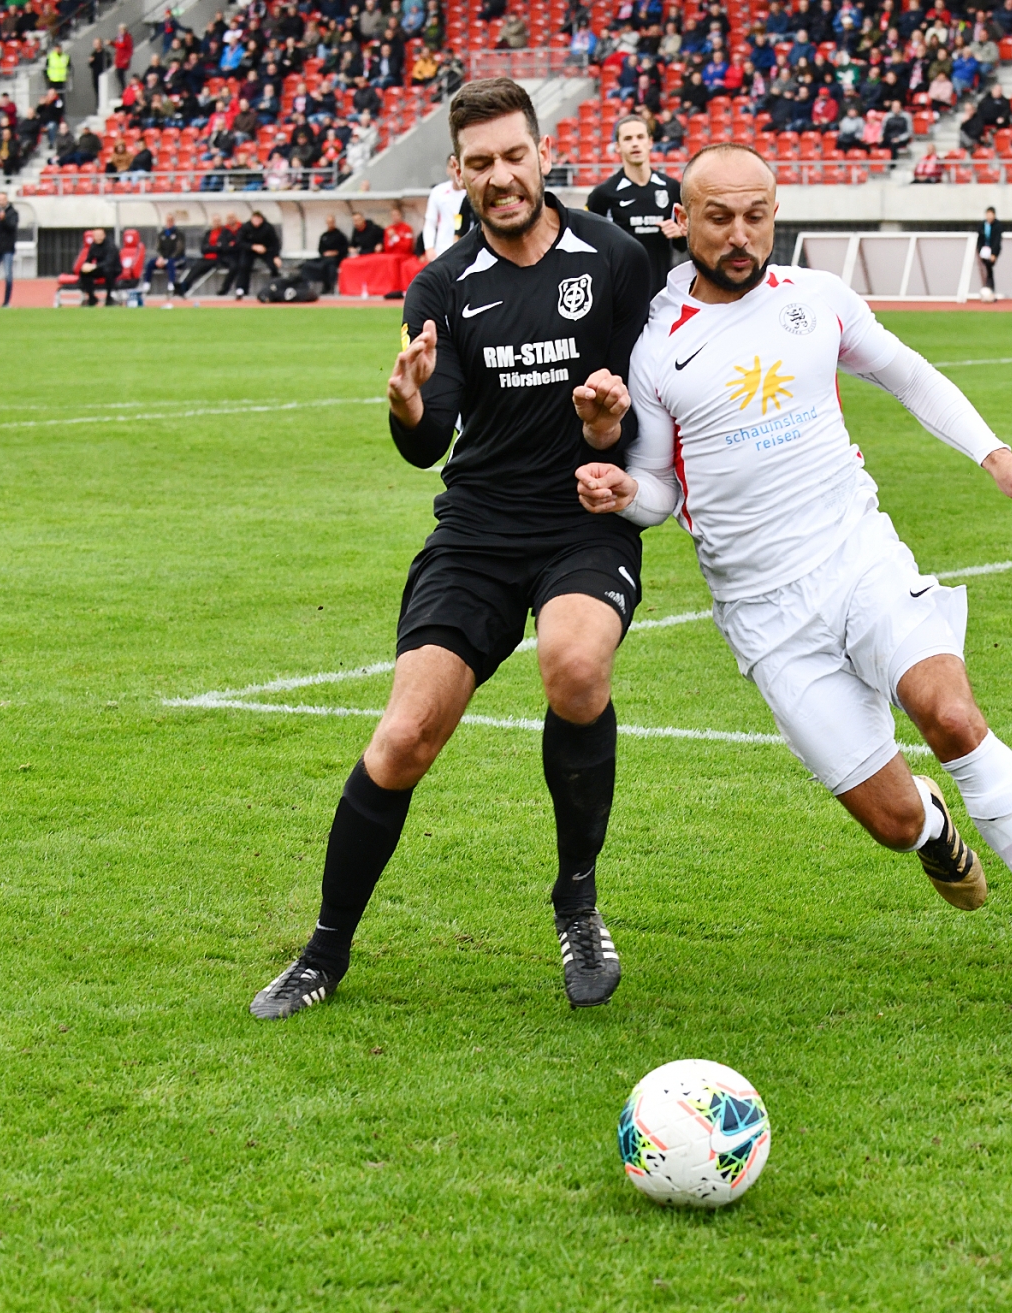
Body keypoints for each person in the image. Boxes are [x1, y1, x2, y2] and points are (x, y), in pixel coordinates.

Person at [573, 144, 1012, 1018]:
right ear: (683, 220)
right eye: (720, 217)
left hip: (859, 556)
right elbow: (662, 491)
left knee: (951, 715)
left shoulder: (816, 301)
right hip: (761, 612)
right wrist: (624, 490)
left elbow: (904, 372)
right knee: (895, 824)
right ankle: (937, 830)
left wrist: (995, 452)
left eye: (758, 215)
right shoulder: (655, 348)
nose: (742, 235)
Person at [248, 78, 654, 1022]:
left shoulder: (620, 258)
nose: (501, 176)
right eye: (481, 163)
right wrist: (406, 405)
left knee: (575, 664)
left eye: (515, 156)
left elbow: (653, 416)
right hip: (476, 531)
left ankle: (577, 899)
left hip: (583, 520)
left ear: (542, 154)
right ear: (458, 173)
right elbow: (430, 441)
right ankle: (325, 950)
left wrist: (606, 437)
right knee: (403, 737)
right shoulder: (443, 285)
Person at [585, 113, 688, 295]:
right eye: (627, 138)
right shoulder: (603, 194)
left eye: (640, 137)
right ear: (617, 146)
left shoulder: (672, 188)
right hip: (622, 295)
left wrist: (680, 234)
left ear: (649, 142)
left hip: (663, 294)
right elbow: (590, 248)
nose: (635, 143)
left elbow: (684, 245)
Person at [421, 150, 471, 259]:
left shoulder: (471, 192)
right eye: (451, 167)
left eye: (458, 166)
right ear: (447, 170)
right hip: (443, 249)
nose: (455, 171)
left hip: (468, 248)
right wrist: (429, 247)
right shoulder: (438, 192)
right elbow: (430, 222)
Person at [230, 210, 281, 298]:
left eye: (258, 219)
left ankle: (276, 288)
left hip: (265, 250)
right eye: (254, 219)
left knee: (273, 266)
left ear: (261, 219)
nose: (256, 222)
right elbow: (239, 242)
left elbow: (275, 243)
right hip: (249, 250)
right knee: (243, 265)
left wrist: (276, 256)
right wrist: (253, 246)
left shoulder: (268, 227)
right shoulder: (246, 227)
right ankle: (241, 290)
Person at [76, 227, 116, 305]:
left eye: (99, 235)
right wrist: (86, 266)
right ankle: (91, 297)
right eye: (96, 235)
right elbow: (89, 259)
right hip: (100, 268)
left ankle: (109, 298)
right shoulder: (93, 246)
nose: (98, 237)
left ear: (104, 235)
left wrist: (94, 266)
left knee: (108, 271)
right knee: (84, 272)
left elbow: (109, 261)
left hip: (113, 268)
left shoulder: (110, 246)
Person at [149, 213, 187, 296]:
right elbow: (158, 248)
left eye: (171, 220)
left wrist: (168, 259)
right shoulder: (162, 234)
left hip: (177, 259)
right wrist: (160, 257)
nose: (169, 222)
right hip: (163, 259)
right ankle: (146, 285)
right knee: (150, 263)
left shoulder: (179, 234)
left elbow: (179, 249)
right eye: (168, 220)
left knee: (170, 262)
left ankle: (171, 285)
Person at [316, 213, 351, 291]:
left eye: (331, 222)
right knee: (312, 264)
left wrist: (336, 252)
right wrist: (324, 253)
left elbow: (345, 248)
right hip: (325, 258)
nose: (330, 224)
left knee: (330, 265)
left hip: (336, 259)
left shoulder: (340, 235)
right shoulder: (324, 235)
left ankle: (330, 286)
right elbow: (320, 249)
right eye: (328, 222)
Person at [976, 205, 1003, 302]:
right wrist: (979, 251)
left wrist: (994, 254)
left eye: (991, 214)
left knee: (989, 269)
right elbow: (980, 239)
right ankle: (988, 290)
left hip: (992, 251)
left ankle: (990, 289)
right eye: (988, 214)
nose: (989, 216)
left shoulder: (997, 225)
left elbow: (997, 240)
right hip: (984, 251)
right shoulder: (982, 225)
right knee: (987, 270)